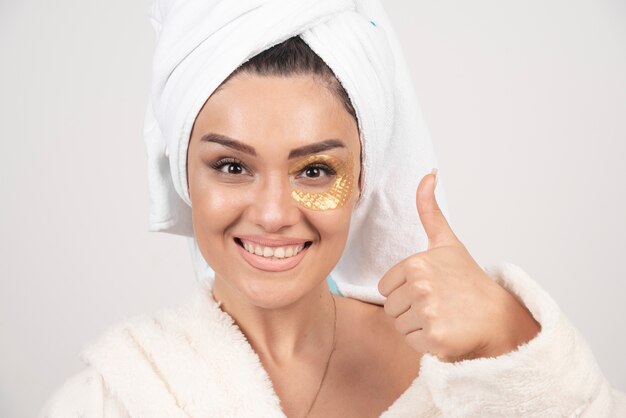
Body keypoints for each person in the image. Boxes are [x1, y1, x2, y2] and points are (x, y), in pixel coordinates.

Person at [40, 1, 626, 417]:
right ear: (183, 174)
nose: (273, 214)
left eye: (314, 170)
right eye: (232, 166)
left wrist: (506, 332)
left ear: (365, 176)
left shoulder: (463, 371)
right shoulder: (116, 397)